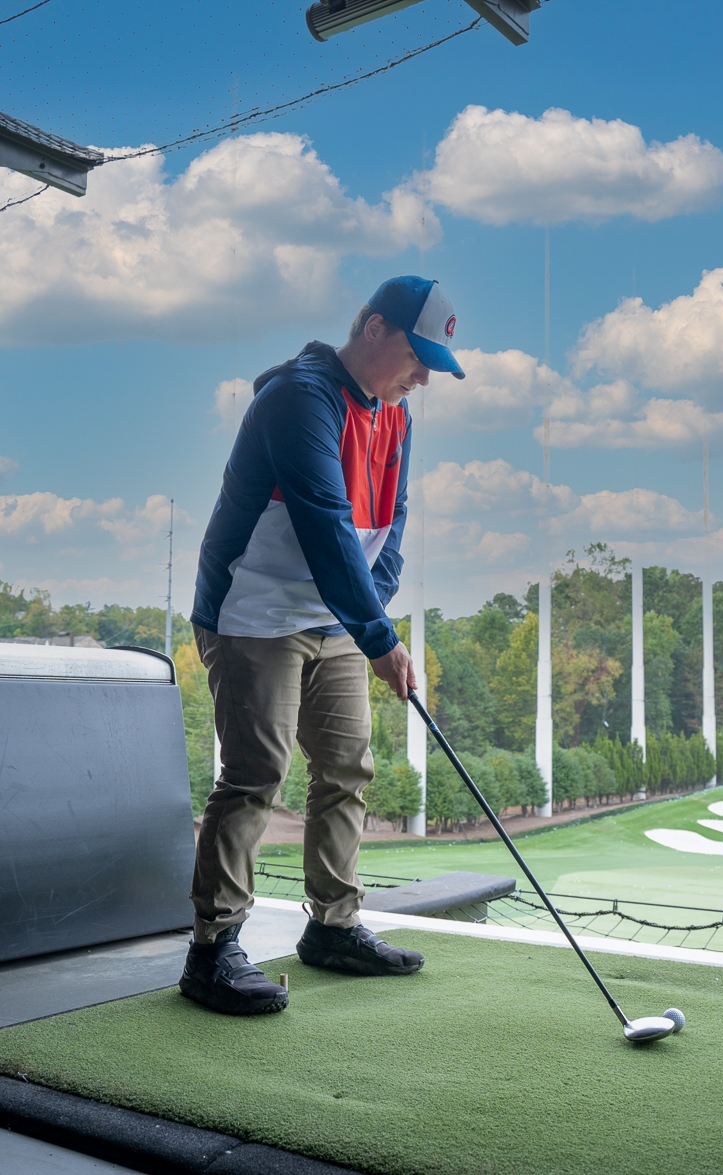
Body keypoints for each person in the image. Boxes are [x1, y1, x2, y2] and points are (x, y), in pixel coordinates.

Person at [179, 276, 464, 1015]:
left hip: (334, 618)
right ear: (373, 328)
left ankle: (333, 926)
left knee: (346, 766)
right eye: (416, 356)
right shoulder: (298, 398)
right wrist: (380, 638)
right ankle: (213, 949)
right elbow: (326, 524)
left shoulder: (395, 416)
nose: (423, 377)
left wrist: (371, 614)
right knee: (256, 773)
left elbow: (390, 527)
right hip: (253, 612)